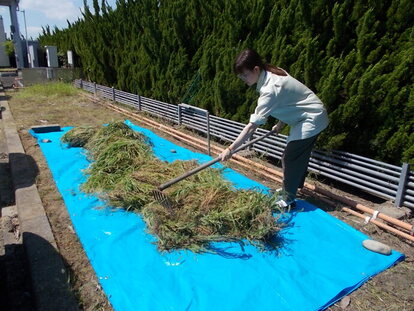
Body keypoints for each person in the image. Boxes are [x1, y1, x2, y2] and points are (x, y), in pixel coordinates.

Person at [220, 48, 329, 208]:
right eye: (240, 76)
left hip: (312, 118)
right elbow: (289, 101)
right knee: (298, 156)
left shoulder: (270, 89)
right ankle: (291, 188)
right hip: (307, 115)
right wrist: (280, 124)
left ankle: (288, 198)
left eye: (245, 75)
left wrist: (230, 149)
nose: (243, 79)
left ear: (256, 69)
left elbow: (252, 127)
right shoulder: (271, 73)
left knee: (290, 157)